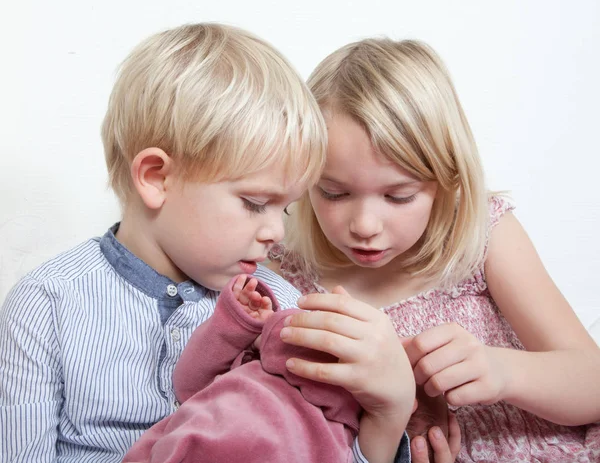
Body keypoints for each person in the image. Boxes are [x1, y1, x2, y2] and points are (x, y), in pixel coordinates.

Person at [0, 23, 428, 463]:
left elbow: (323, 446)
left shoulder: (279, 304)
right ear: (156, 178)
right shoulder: (46, 304)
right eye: (254, 202)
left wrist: (387, 415)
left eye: (284, 210)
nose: (277, 232)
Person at [268, 37, 600, 462]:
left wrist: (502, 371)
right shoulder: (282, 280)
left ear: (446, 179)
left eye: (399, 196)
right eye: (334, 193)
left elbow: (592, 382)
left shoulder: (484, 236)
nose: (365, 225)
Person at [122, 273, 362, 463]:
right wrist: (236, 325)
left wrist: (273, 328)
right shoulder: (248, 365)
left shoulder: (345, 407)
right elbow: (187, 387)